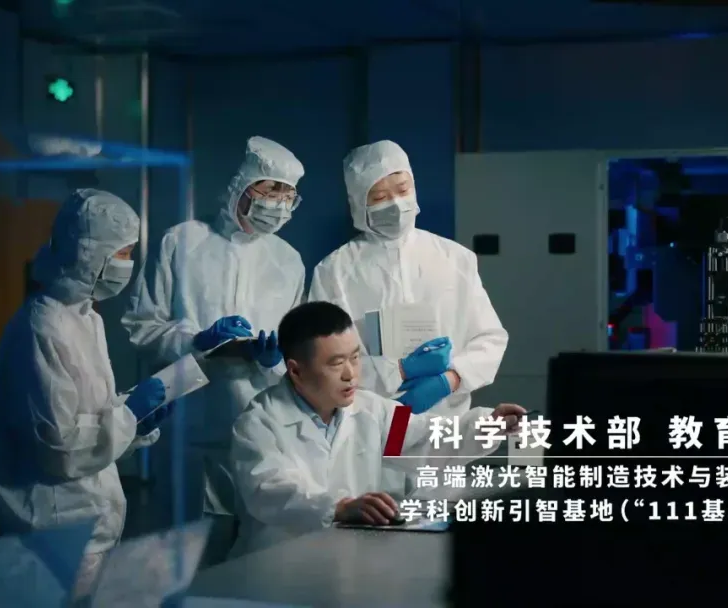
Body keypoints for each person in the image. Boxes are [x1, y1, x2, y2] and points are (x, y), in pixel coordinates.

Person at [122, 136, 306, 564]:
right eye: (269, 190)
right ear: (241, 186)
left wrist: (274, 361)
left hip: (259, 427)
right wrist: (196, 342)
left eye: (288, 196)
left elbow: (296, 353)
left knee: (256, 556)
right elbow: (140, 326)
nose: (277, 205)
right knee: (181, 556)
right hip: (186, 428)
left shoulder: (289, 262)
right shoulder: (181, 243)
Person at [0, 189, 173, 600]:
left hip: (88, 525)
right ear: (89, 253)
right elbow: (60, 448)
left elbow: (89, 413)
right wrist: (127, 416)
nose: (127, 264)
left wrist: (134, 421)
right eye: (122, 253)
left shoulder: (85, 318)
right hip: (52, 529)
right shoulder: (41, 328)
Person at [228, 301, 525, 557]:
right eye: (336, 363)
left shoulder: (374, 410)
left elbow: (423, 441)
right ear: (295, 370)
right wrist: (337, 508)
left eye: (355, 358)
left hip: (346, 558)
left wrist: (488, 425)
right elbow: (269, 490)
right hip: (279, 562)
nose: (350, 374)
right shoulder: (260, 421)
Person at [309, 140, 509, 495]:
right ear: (358, 203)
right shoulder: (335, 271)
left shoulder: (454, 259)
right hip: (373, 427)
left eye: (402, 190)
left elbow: (490, 338)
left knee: (436, 517)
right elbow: (324, 358)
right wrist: (395, 374)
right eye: (379, 196)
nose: (395, 204)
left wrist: (450, 379)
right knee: (375, 516)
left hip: (448, 426)